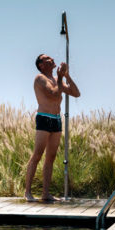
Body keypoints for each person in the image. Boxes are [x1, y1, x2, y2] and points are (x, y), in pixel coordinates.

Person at [25, 54, 80, 202]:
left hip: (56, 119)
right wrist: (61, 79)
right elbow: (54, 95)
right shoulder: (40, 78)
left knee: (50, 158)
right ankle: (27, 192)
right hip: (44, 118)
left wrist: (66, 76)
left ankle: (45, 194)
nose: (52, 59)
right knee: (37, 155)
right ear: (41, 64)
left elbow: (76, 93)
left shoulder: (57, 80)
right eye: (47, 58)